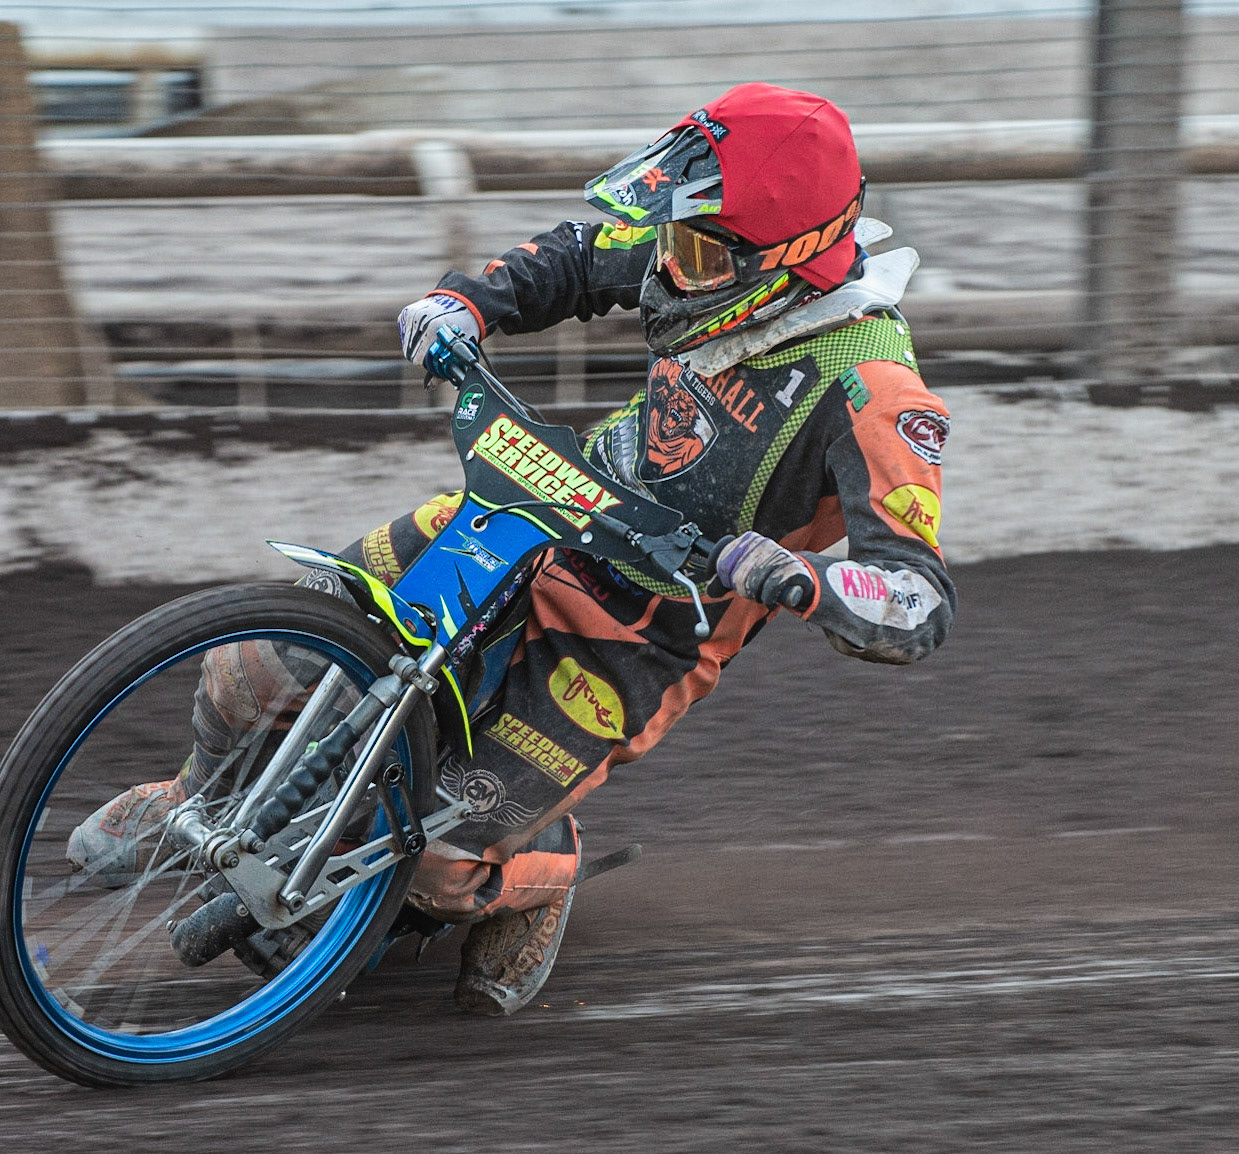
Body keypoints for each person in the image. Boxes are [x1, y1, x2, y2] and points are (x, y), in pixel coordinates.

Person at [69, 82, 954, 1017]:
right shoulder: (696, 251)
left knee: (436, 865)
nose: (662, 267)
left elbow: (916, 599)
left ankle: (544, 866)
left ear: (790, 260)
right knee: (250, 666)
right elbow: (577, 255)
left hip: (641, 635)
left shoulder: (873, 391)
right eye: (666, 235)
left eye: (691, 251)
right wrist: (463, 303)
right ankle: (191, 798)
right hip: (533, 511)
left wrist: (797, 575)